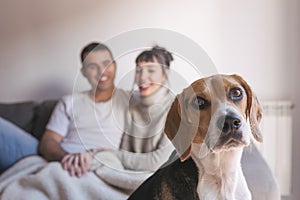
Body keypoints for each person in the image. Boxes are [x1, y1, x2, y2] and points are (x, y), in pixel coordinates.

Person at [0, 42, 129, 177]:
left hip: (95, 163)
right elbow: (48, 142)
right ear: (83, 72)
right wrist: (67, 158)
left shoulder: (130, 100)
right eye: (92, 66)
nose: (101, 71)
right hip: (57, 159)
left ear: (114, 65)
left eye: (106, 63)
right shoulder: (69, 101)